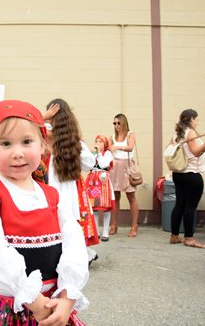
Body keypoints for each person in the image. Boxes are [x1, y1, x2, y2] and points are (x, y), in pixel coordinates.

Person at [0, 99, 89, 325]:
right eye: (6, 144)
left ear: (43, 145)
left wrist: (67, 298)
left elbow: (74, 243)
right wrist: (34, 301)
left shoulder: (52, 195)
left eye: (27, 141)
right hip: (7, 305)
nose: (17, 153)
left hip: (54, 305)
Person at [44, 98, 99, 266]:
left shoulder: (43, 135)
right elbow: (89, 164)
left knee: (57, 227)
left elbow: (26, 123)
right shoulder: (76, 143)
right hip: (69, 191)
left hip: (51, 190)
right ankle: (82, 255)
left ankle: (79, 256)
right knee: (69, 228)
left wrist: (42, 116)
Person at [168, 109, 205, 248]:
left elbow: (169, 151)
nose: (198, 122)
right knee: (190, 207)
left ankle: (174, 236)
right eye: (197, 119)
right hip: (191, 174)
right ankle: (189, 238)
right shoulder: (191, 132)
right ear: (191, 120)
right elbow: (196, 151)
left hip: (178, 173)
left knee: (179, 204)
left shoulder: (176, 134)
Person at [108, 113, 140, 237]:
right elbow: (108, 148)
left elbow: (130, 147)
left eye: (118, 123)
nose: (116, 126)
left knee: (131, 196)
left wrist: (117, 147)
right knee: (115, 198)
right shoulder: (112, 136)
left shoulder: (130, 134)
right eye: (114, 123)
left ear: (123, 122)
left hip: (127, 168)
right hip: (114, 168)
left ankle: (134, 226)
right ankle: (114, 225)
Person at [85, 135, 115, 242]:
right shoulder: (93, 154)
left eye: (100, 141)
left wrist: (98, 154)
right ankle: (96, 231)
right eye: (96, 141)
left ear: (105, 144)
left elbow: (103, 164)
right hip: (93, 182)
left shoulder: (108, 154)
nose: (97, 143)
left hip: (103, 182)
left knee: (105, 207)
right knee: (95, 207)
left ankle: (105, 231)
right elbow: (89, 166)